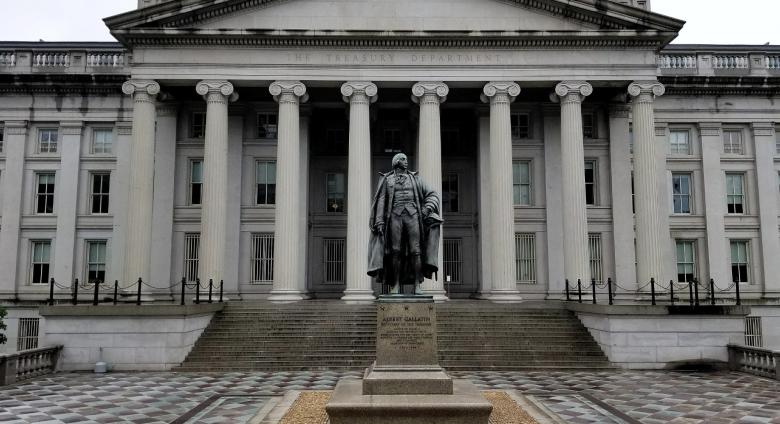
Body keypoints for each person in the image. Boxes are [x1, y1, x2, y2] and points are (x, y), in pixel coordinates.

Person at [367, 153, 443, 294]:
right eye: (403, 159)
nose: (406, 161)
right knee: (395, 251)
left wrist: (426, 208)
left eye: (407, 159)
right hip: (395, 216)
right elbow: (381, 201)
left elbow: (433, 194)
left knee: (416, 251)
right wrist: (379, 221)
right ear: (396, 162)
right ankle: (395, 285)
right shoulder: (387, 180)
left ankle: (417, 285)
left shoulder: (416, 179)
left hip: (413, 216)